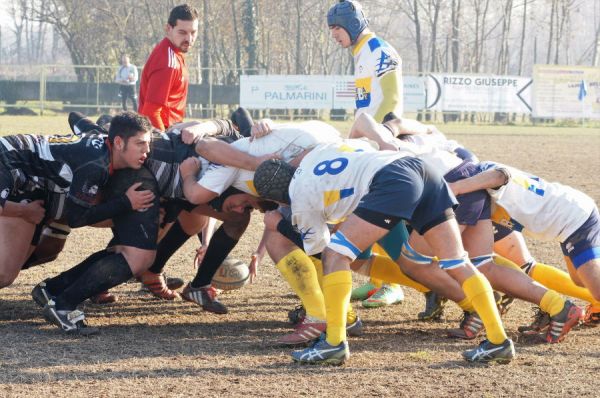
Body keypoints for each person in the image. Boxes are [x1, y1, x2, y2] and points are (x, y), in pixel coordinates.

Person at [252, 143, 514, 365]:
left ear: (278, 199)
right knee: (457, 261)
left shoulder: (299, 198)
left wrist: (281, 225)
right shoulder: (316, 154)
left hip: (392, 180)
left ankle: (333, 342)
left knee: (335, 255)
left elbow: (320, 252)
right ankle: (498, 341)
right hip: (421, 169)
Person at [328, 0, 404, 308]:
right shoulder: (361, 52)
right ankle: (379, 282)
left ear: (352, 23)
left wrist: (381, 137)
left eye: (336, 28)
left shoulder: (379, 50)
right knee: (367, 211)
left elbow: (393, 97)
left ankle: (396, 284)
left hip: (381, 146)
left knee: (379, 213)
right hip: (369, 145)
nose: (333, 35)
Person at [138, 4, 199, 130]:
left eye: (193, 32)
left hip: (171, 127)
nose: (189, 38)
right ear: (168, 29)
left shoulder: (174, 51)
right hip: (164, 131)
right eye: (182, 32)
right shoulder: (168, 62)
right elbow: (150, 113)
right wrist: (166, 142)